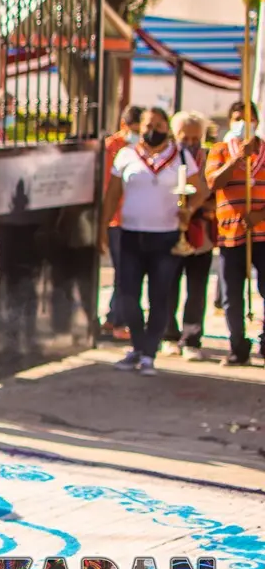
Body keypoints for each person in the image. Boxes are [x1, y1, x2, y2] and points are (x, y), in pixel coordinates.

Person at [100, 108, 210, 376]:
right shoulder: (126, 155)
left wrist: (189, 209)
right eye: (149, 124)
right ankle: (138, 345)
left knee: (159, 296)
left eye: (159, 124)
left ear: (167, 127)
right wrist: (102, 227)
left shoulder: (181, 156)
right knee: (128, 296)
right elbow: (113, 193)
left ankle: (149, 353)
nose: (153, 129)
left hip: (166, 236)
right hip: (131, 234)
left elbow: (201, 188)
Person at [204, 102, 265, 366]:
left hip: (262, 232)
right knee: (232, 293)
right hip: (230, 233)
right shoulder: (219, 151)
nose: (243, 123)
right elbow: (214, 182)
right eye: (238, 119)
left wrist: (260, 216)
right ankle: (237, 344)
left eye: (249, 119)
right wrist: (237, 158)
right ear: (230, 122)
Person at [162, 111, 215, 361]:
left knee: (196, 287)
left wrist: (196, 207)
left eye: (197, 138)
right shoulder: (167, 157)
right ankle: (169, 335)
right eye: (186, 137)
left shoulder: (210, 157)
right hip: (169, 229)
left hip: (200, 232)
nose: (191, 143)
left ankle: (192, 336)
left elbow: (213, 189)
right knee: (168, 285)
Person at [101, 106, 144, 340]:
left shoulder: (142, 146)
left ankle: (113, 316)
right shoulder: (112, 147)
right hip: (117, 218)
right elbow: (108, 186)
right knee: (124, 271)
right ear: (124, 126)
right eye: (135, 130)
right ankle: (118, 320)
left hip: (136, 218)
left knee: (128, 272)